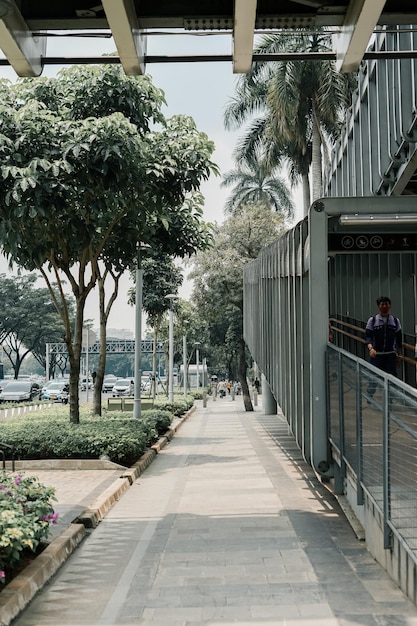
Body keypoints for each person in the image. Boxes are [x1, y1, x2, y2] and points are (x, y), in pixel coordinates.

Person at [365, 296, 402, 397]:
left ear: (390, 306)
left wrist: (399, 355)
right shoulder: (372, 320)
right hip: (377, 354)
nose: (384, 306)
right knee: (374, 377)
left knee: (392, 378)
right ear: (378, 306)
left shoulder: (395, 321)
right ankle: (370, 394)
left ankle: (390, 399)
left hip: (390, 354)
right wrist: (371, 348)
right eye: (382, 304)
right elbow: (368, 337)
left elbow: (399, 339)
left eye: (386, 304)